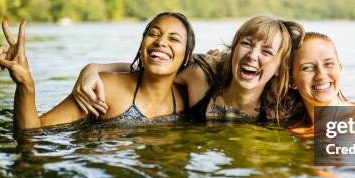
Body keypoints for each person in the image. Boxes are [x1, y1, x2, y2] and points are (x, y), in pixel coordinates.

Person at [73, 16, 304, 124]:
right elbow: (153, 70)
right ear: (234, 49)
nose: (252, 56)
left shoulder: (285, 105)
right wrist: (94, 68)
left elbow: (330, 103)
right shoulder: (201, 74)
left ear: (278, 68)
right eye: (246, 44)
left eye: (266, 51)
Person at [0, 12, 195, 130]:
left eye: (174, 39)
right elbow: (34, 132)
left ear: (186, 56)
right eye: (153, 34)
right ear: (142, 45)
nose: (160, 42)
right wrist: (26, 85)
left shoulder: (189, 97)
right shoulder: (104, 88)